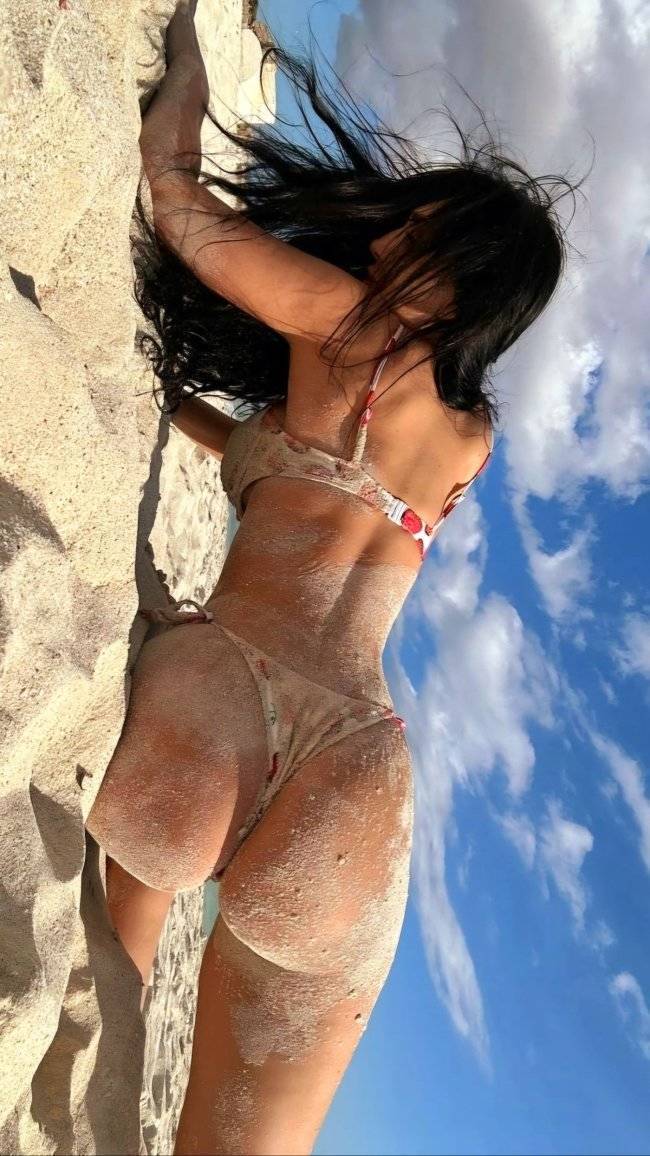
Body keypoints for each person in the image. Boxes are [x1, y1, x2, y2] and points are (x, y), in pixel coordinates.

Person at [86, 4, 585, 1152]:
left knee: (118, 972)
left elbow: (178, 203)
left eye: (414, 225)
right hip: (358, 763)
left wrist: (188, 64)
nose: (384, 233)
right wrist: (191, 416)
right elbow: (296, 471)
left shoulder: (351, 326)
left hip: (226, 687)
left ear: (455, 268)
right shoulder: (466, 445)